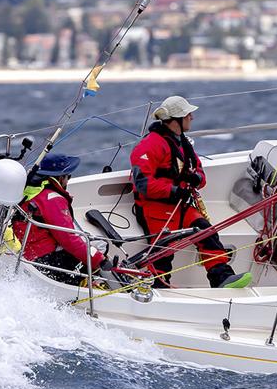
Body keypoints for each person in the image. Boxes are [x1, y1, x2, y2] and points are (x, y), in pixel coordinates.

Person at [130, 95, 251, 288]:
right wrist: (174, 191)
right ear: (177, 119)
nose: (192, 118)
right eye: (188, 115)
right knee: (163, 252)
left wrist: (196, 179)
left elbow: (199, 171)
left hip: (181, 205)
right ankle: (158, 289)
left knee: (207, 232)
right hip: (155, 209)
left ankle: (221, 278)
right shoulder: (151, 144)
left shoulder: (181, 143)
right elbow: (142, 183)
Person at [13, 153, 111, 285]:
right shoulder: (53, 199)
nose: (68, 180)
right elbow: (69, 239)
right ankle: (90, 283)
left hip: (29, 253)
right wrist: (100, 260)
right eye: (68, 176)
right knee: (101, 245)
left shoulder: (31, 190)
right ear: (60, 177)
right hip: (46, 261)